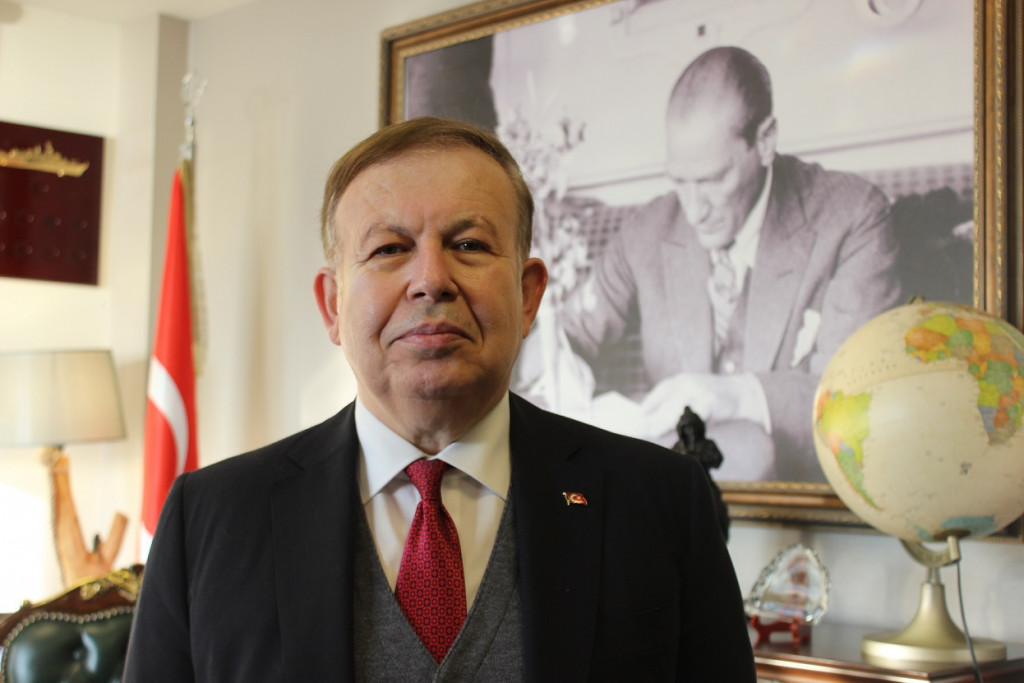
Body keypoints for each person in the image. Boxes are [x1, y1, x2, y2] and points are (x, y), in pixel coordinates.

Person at [123, 117, 756, 681]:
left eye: (469, 245)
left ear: (528, 294)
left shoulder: (662, 503)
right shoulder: (208, 520)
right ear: (333, 305)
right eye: (389, 249)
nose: (430, 279)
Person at [559, 46, 902, 482]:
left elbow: (854, 398)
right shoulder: (645, 231)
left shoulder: (853, 217)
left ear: (766, 140)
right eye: (679, 181)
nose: (693, 210)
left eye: (713, 180)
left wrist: (736, 395)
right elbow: (569, 335)